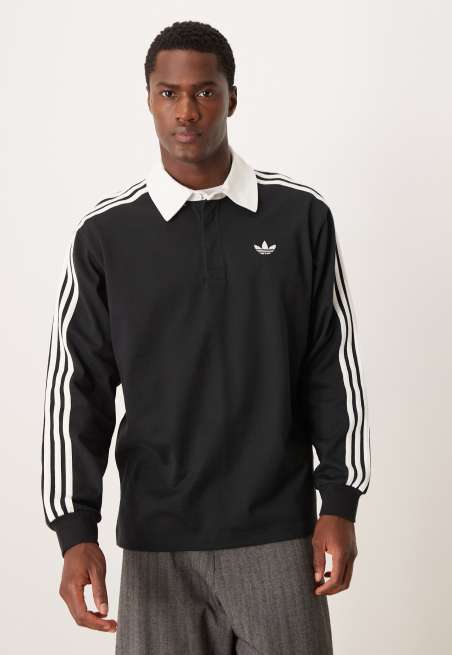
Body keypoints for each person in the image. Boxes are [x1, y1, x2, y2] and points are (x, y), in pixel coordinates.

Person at [40, 19, 371, 655]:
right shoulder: (107, 235)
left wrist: (340, 500)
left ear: (232, 98)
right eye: (169, 93)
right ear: (148, 100)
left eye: (204, 92)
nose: (186, 111)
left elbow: (333, 367)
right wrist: (75, 529)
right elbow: (76, 389)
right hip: (156, 543)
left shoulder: (300, 217)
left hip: (278, 533)